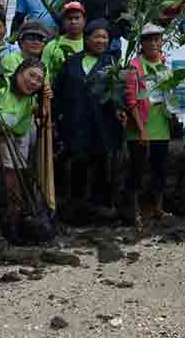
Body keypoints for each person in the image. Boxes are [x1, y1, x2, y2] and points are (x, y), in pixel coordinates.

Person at [54, 19, 124, 220]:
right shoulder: (71, 63)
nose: (101, 41)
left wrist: (120, 110)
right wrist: (55, 118)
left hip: (103, 124)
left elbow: (120, 93)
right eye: (96, 36)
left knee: (102, 165)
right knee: (77, 164)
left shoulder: (113, 64)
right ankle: (75, 208)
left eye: (104, 37)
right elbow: (59, 92)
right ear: (86, 38)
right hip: (75, 123)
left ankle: (101, 207)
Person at [122, 23, 174, 225]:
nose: (153, 43)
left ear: (162, 42)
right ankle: (134, 210)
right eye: (148, 40)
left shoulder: (166, 65)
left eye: (156, 39)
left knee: (160, 169)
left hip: (161, 125)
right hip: (139, 127)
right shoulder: (134, 67)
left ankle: (158, 208)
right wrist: (141, 129)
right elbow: (131, 100)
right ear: (141, 43)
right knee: (137, 169)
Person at [0, 58, 47, 234]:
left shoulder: (30, 101)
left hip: (5, 137)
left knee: (13, 171)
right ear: (19, 72)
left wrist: (44, 103)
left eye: (39, 80)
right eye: (31, 75)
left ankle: (13, 212)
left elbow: (19, 132)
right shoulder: (1, 86)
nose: (34, 82)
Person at [42, 1, 86, 83]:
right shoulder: (52, 45)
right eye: (69, 18)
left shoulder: (90, 43)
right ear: (63, 21)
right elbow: (43, 71)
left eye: (77, 18)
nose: (73, 22)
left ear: (84, 20)